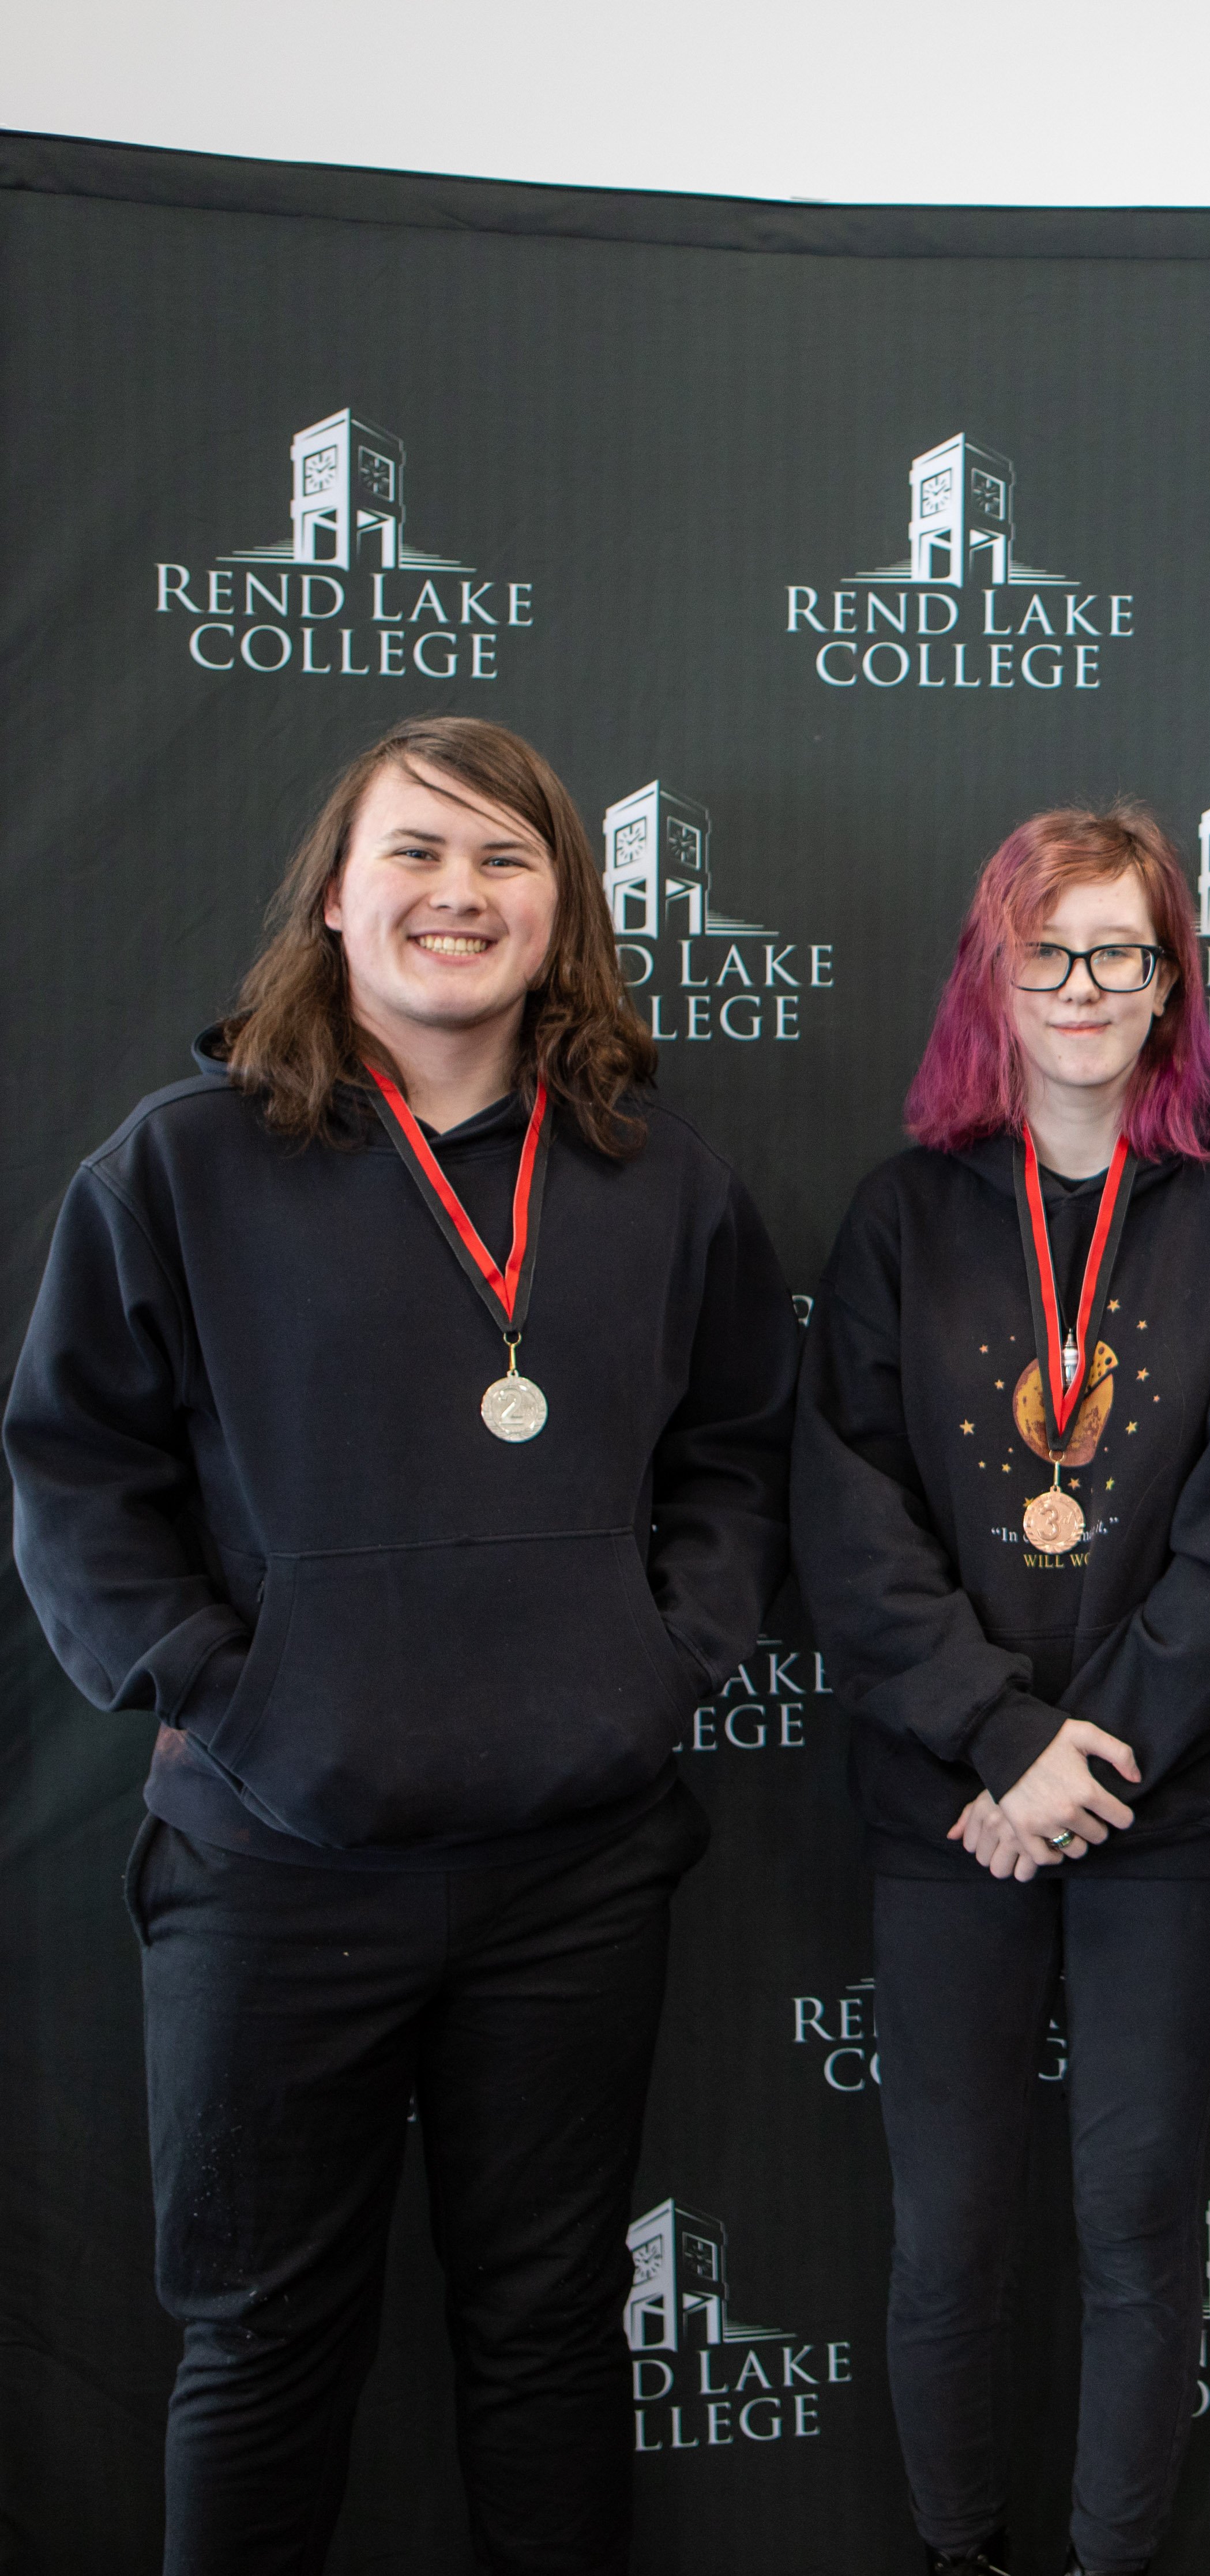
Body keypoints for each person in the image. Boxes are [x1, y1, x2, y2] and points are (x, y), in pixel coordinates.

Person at [5, 714, 795, 2574]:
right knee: (266, 2345)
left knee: (543, 2342)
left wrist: (657, 1663)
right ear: (337, 900)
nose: (460, 894)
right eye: (417, 855)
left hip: (574, 1871)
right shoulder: (180, 1166)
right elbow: (75, 1471)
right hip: (276, 1861)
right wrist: (235, 1692)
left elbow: (739, 1459)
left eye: (506, 859)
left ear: (564, 911)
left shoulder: (654, 1175)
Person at [792, 805, 1210, 2576]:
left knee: (1131, 2218)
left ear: (1172, 980)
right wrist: (1001, 1736)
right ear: (993, 976)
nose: (1087, 986)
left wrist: (1088, 1758)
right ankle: (963, 2555)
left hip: (1170, 1803)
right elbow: (847, 1510)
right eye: (1052, 951)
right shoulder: (902, 1216)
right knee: (948, 2230)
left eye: (1124, 951)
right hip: (952, 1794)